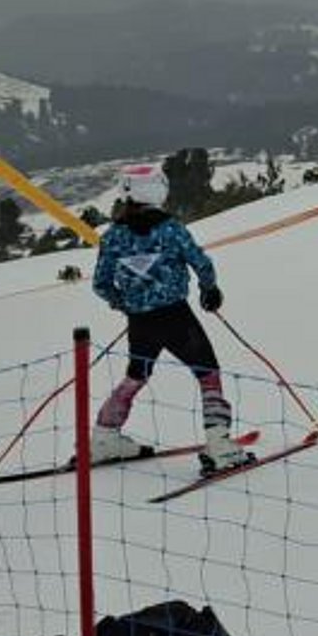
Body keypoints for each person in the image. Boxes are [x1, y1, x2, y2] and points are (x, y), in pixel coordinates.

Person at [90, 163, 251, 475]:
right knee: (207, 372)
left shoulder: (113, 236)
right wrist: (209, 289)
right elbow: (200, 262)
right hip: (176, 316)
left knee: (137, 375)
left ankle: (104, 437)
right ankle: (219, 444)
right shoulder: (170, 229)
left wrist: (124, 303)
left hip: (140, 321)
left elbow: (101, 283)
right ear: (158, 190)